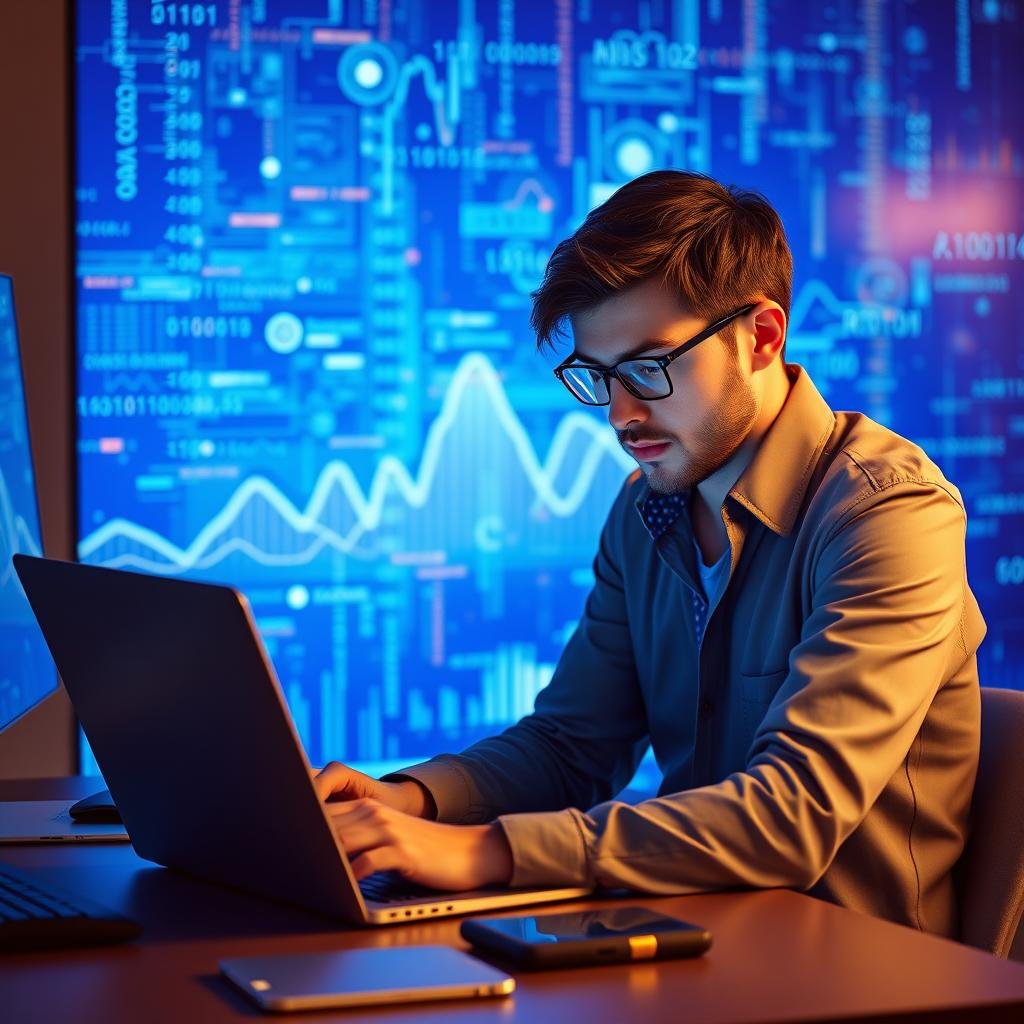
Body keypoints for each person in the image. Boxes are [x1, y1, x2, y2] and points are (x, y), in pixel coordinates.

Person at [314, 170, 986, 937]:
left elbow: (793, 816)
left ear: (761, 338)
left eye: (648, 368)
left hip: (859, 976)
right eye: (599, 378)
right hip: (688, 943)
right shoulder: (645, 510)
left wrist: (483, 853)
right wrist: (403, 802)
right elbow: (572, 748)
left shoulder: (889, 512)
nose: (622, 416)